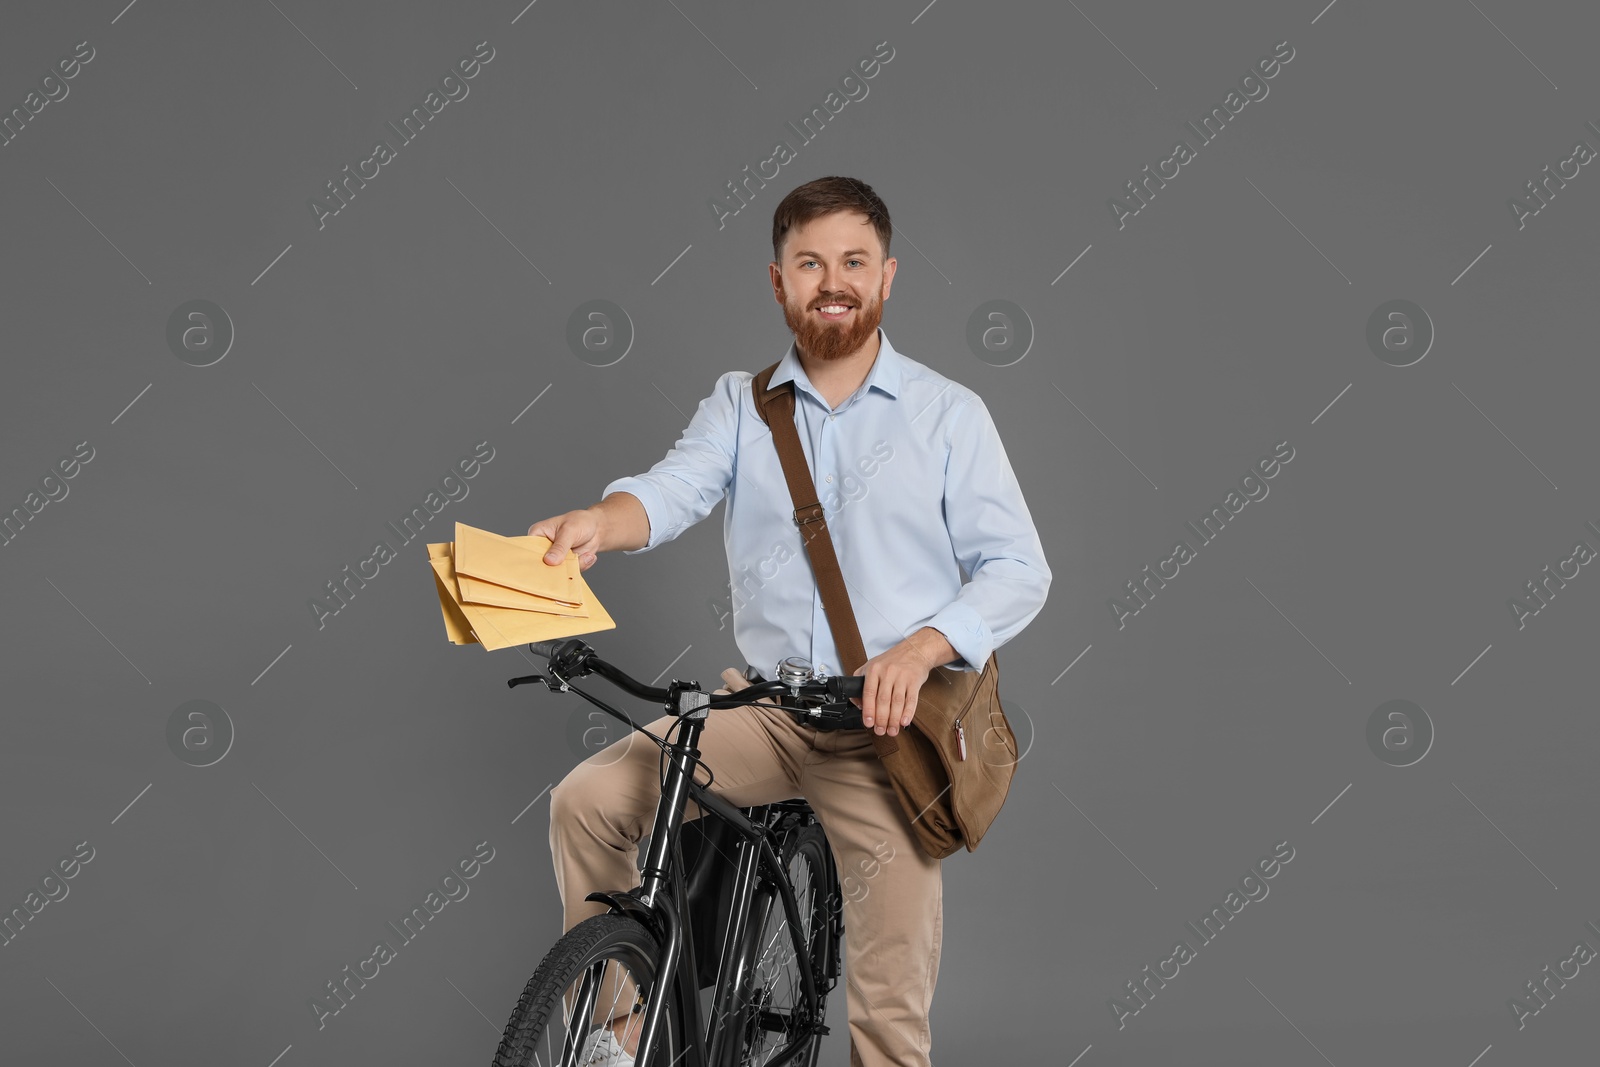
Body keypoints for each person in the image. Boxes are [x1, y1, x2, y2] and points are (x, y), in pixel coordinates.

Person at [528, 176, 1051, 1067]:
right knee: (586, 802)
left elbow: (1019, 570)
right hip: (765, 713)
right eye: (810, 263)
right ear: (779, 282)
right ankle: (611, 1041)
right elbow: (671, 488)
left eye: (853, 261)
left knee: (888, 1005)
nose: (832, 280)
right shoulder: (742, 403)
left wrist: (923, 649)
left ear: (887, 278)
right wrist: (598, 523)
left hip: (884, 732)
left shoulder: (947, 415)